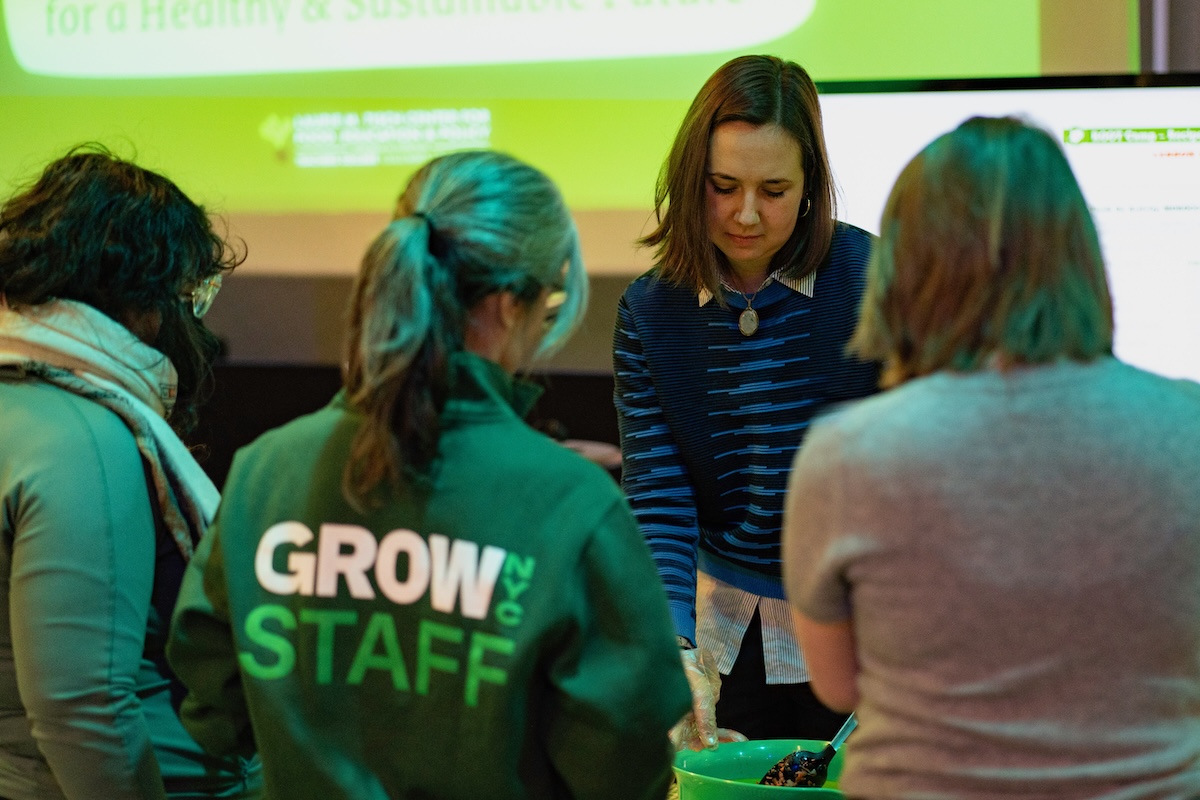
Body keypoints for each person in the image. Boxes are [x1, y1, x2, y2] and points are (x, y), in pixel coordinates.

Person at [165, 150, 692, 799]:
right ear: (508, 303)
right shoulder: (572, 506)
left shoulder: (264, 472)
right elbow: (623, 764)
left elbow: (213, 707)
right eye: (549, 302)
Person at [783, 116, 1200, 798]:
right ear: (1078, 255)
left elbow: (838, 686)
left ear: (908, 267)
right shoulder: (1190, 426)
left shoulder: (846, 456)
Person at [612, 54, 879, 749]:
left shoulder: (877, 282)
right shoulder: (651, 311)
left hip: (863, 620)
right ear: (689, 177)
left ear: (812, 186)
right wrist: (673, 643)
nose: (746, 215)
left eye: (775, 189)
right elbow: (660, 493)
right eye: (723, 186)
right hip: (726, 623)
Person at [0, 145, 261, 798]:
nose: (193, 322)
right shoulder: (85, 437)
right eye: (191, 295)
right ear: (143, 293)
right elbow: (82, 707)